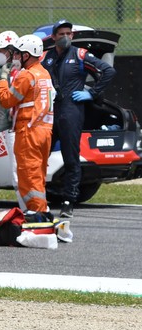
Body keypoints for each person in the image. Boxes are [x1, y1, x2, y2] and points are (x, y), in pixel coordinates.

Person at [42, 20, 116, 217]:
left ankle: (68, 202)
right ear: (53, 37)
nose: (65, 36)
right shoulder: (45, 57)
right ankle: (38, 198)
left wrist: (92, 93)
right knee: (40, 156)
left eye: (68, 33)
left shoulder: (80, 54)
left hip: (71, 111)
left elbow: (108, 71)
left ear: (72, 36)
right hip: (49, 113)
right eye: (61, 33)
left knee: (71, 158)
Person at [0, 35, 55, 215]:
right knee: (38, 176)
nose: (16, 57)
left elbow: (7, 100)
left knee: (28, 177)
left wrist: (2, 80)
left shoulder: (27, 75)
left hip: (28, 131)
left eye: (19, 54)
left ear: (27, 55)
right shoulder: (44, 74)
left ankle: (37, 215)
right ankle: (41, 210)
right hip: (45, 131)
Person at [0, 31, 26, 210]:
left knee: (18, 175)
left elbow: (8, 100)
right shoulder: (13, 70)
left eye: (2, 51)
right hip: (15, 128)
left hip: (19, 129)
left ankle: (27, 213)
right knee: (18, 175)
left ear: (12, 51)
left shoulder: (20, 74)